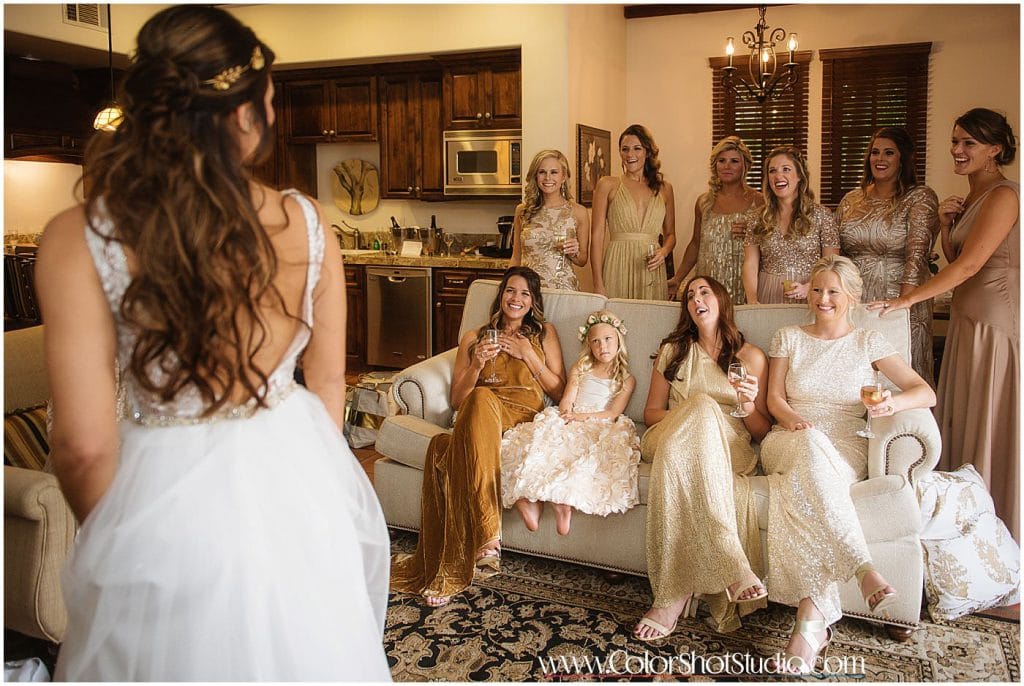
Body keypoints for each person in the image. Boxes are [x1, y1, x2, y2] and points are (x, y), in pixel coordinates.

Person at [35, 6, 391, 680]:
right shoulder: (309, 225)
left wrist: (119, 537)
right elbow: (329, 388)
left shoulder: (77, 236)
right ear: (242, 114)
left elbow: (82, 446)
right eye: (270, 100)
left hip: (157, 487)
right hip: (296, 475)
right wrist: (314, 485)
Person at [762, 256, 935, 674]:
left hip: (842, 447)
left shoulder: (868, 341)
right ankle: (861, 568)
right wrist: (791, 421)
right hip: (789, 438)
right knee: (810, 448)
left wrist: (892, 402)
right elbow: (774, 399)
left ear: (851, 297)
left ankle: (810, 623)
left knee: (810, 490)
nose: (823, 298)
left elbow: (924, 391)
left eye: (833, 291)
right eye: (817, 289)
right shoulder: (788, 336)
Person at [867, 108, 1019, 541]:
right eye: (955, 141)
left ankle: (1000, 530)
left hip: (996, 322)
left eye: (969, 143)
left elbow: (972, 266)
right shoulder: (970, 198)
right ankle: (963, 528)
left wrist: (908, 298)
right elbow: (959, 259)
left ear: (995, 150)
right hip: (966, 321)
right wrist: (949, 227)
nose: (958, 149)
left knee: (990, 420)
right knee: (964, 415)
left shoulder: (1005, 195)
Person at [391, 266, 566, 607]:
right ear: (501, 296)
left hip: (521, 415)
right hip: (479, 414)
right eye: (511, 291)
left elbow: (559, 391)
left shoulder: (544, 333)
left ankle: (480, 541)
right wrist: (475, 366)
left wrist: (527, 355)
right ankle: (486, 541)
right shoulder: (474, 338)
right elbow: (458, 399)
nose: (516, 299)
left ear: (533, 302)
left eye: (525, 294)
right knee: (462, 419)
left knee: (447, 448)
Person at [634, 276, 773, 641]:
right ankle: (732, 563)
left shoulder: (753, 357)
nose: (696, 298)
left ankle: (672, 596)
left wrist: (744, 404)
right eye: (690, 295)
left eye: (704, 291)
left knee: (704, 410)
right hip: (668, 439)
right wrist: (695, 414)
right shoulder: (672, 350)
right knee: (700, 406)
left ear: (721, 300)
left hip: (729, 449)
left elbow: (761, 432)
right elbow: (651, 413)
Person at [501, 310, 640, 536]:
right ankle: (527, 499)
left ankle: (563, 502)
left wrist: (582, 418)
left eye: (608, 339)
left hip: (599, 423)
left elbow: (613, 413)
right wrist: (566, 414)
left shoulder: (626, 379)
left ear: (618, 342)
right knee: (535, 442)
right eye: (595, 341)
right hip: (571, 417)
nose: (602, 346)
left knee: (582, 453)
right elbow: (567, 399)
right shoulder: (580, 368)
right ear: (589, 345)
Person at [837, 127, 940, 385]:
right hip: (855, 298)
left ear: (902, 159)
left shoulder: (919, 197)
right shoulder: (851, 199)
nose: (879, 159)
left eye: (888, 153)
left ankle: (908, 424)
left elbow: (916, 258)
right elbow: (835, 249)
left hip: (898, 297)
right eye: (875, 152)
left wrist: (902, 306)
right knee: (855, 369)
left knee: (901, 370)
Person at [668, 136, 764, 303]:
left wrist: (754, 233)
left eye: (734, 161)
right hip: (708, 282)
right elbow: (696, 244)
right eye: (722, 160)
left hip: (742, 284)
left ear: (745, 165)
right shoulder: (703, 202)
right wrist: (677, 278)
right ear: (715, 165)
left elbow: (771, 244)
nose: (727, 166)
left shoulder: (759, 201)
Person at [742, 146, 839, 304]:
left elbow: (831, 263)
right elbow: (750, 263)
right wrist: (753, 301)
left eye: (786, 169)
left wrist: (811, 287)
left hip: (812, 294)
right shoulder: (757, 217)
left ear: (800, 175)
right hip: (767, 293)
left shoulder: (822, 215)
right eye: (772, 171)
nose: (778, 176)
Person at [591, 124, 676, 299]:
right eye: (625, 149)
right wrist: (598, 282)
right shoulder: (607, 184)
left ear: (648, 151)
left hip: (651, 268)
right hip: (617, 263)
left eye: (637, 148)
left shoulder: (665, 188)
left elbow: (671, 235)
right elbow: (597, 236)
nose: (630, 155)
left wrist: (664, 252)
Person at [510, 149, 590, 290]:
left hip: (563, 290)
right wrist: (508, 287)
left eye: (554, 172)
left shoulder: (579, 212)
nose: (548, 178)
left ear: (563, 176)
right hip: (528, 290)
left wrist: (574, 252)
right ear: (535, 176)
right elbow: (516, 257)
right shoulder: (522, 211)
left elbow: (582, 260)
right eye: (542, 172)